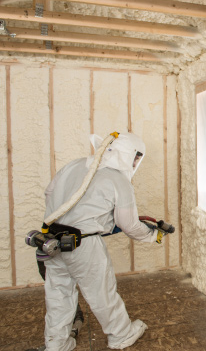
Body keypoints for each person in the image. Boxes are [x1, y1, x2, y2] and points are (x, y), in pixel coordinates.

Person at [41, 132, 165, 351]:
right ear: (129, 155)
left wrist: (73, 218)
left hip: (51, 240)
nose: (136, 163)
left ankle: (57, 344)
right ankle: (121, 334)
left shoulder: (74, 165)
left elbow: (49, 193)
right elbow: (130, 225)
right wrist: (153, 235)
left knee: (58, 293)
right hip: (83, 245)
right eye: (136, 158)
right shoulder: (118, 180)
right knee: (101, 292)